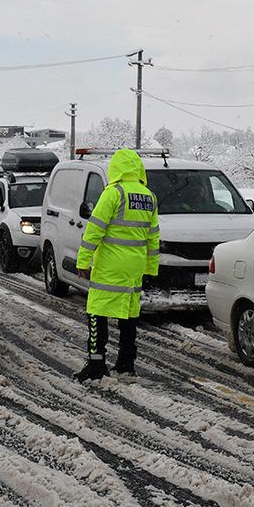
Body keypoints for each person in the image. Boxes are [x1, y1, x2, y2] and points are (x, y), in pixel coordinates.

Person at [74, 149, 160, 381]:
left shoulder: (113, 193)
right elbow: (153, 238)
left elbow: (94, 230)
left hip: (111, 264)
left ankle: (96, 363)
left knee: (97, 311)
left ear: (116, 169)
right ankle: (126, 363)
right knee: (129, 315)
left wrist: (83, 261)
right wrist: (151, 267)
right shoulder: (149, 196)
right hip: (135, 267)